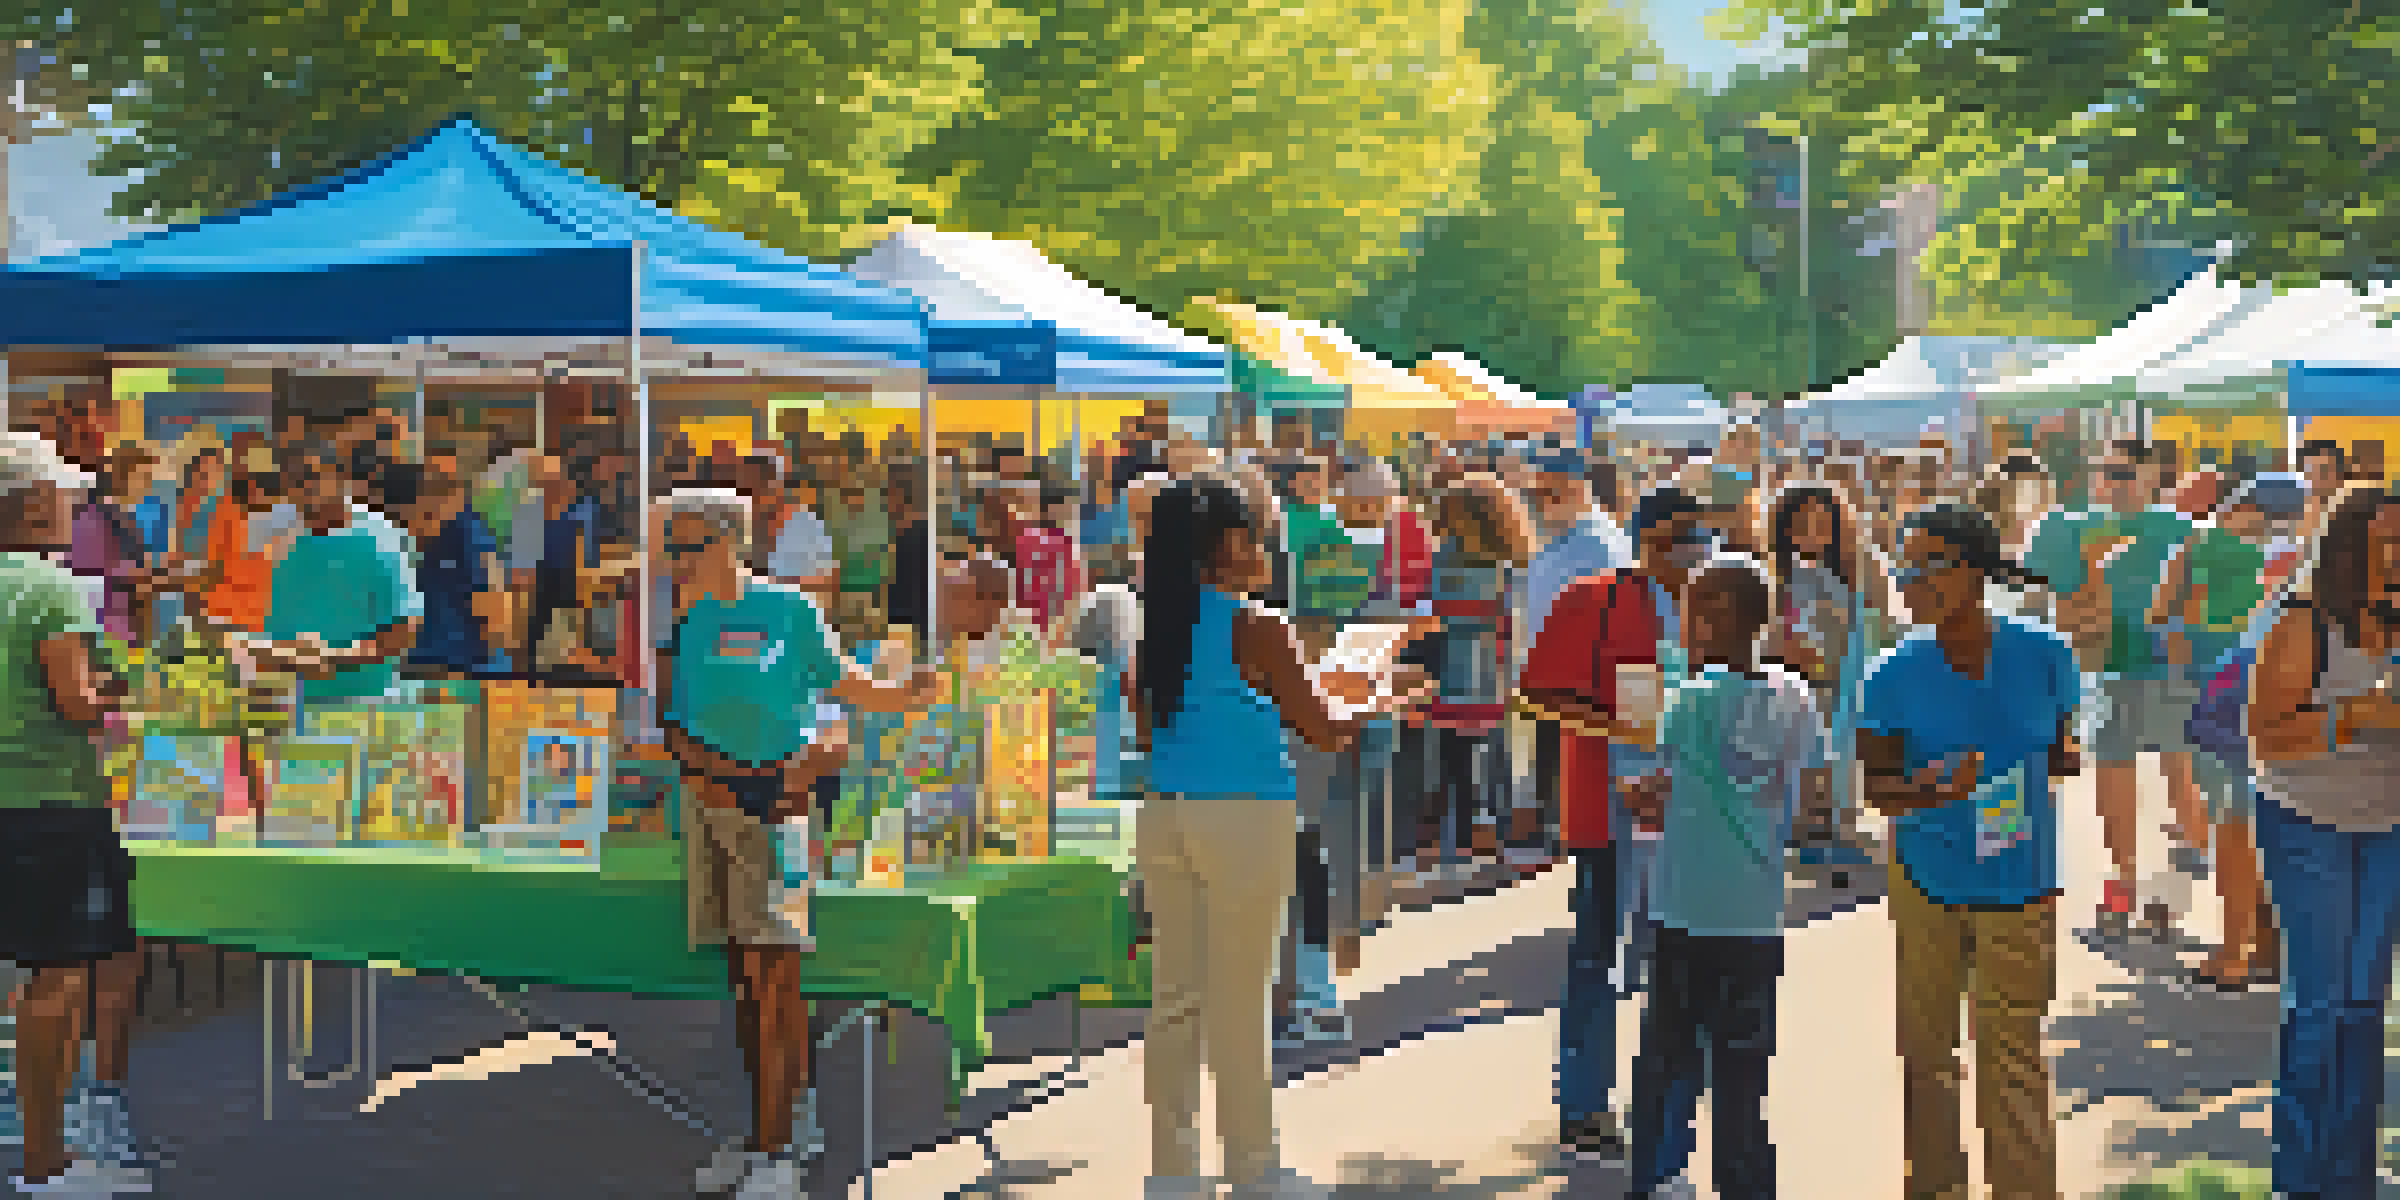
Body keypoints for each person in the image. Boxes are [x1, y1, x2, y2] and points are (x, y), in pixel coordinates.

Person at [1135, 476, 1429, 1200]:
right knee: (1240, 999)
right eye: (1256, 530)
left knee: (1176, 999)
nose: (1265, 543)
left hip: (1167, 813)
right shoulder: (1258, 625)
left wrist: (1344, 698)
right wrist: (1384, 703)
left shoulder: (1160, 626)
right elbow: (1323, 728)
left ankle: (1172, 1173)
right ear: (1227, 544)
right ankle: (1252, 1168)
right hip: (1243, 817)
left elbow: (1154, 727)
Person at [657, 487, 937, 1199]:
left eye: (687, 547)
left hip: (774, 813)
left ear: (730, 543)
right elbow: (673, 720)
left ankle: (779, 1152)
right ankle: (771, 1129)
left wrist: (903, 697)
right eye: (672, 547)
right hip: (712, 812)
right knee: (745, 987)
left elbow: (847, 691)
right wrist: (716, 773)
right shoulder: (684, 622)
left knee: (776, 982)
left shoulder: (789, 610)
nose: (674, 561)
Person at [1862, 503, 2080, 1200]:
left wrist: (2041, 765)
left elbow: (2063, 750)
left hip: (2020, 882)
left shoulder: (2046, 654)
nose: (1911, 580)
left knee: (2011, 1056)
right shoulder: (1890, 674)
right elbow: (1877, 789)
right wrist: (1926, 791)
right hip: (1926, 878)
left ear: (1976, 570)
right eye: (1905, 565)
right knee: (1928, 1059)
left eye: (1929, 564)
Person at [1517, 486, 1707, 1160]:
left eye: (1699, 534)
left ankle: (1670, 1099)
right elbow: (1537, 696)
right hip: (1607, 812)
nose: (1693, 548)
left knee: (1683, 957)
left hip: (1693, 811)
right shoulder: (1589, 599)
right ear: (1648, 539)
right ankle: (1583, 1106)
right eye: (1681, 535)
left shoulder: (1713, 604)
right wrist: (1617, 730)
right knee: (1596, 957)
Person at [1624, 555, 1823, 1199]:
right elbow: (1815, 800)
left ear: (1713, 617)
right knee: (1743, 1080)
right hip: (1756, 915)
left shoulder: (1684, 700)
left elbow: (1643, 784)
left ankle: (1655, 1182)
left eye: (1688, 607)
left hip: (1683, 910)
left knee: (1667, 1064)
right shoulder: (1796, 696)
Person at [0, 434, 158, 1194]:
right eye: (65, 493)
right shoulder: (52, 587)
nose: (74, 505)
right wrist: (114, 693)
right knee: (56, 979)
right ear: (33, 503)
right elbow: (74, 700)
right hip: (48, 802)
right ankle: (43, 1160)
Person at [2245, 482, 2400, 1199]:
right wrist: (2356, 716)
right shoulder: (2302, 624)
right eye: (2388, 544)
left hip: (2387, 828)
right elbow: (2266, 741)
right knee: (2320, 1004)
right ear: (2348, 551)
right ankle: (2301, 1179)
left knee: (2366, 1006)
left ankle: (2351, 1177)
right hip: (2307, 823)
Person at [2023, 440, 2196, 941]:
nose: (2113, 481)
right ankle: (2123, 885)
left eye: (2124, 472)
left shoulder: (2182, 530)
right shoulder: (2065, 526)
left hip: (2171, 667)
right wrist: (2092, 567)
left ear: (2154, 476)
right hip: (2103, 667)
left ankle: (2169, 895)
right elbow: (2040, 595)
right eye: (2107, 470)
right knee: (2114, 776)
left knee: (2182, 777)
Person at [2169, 473, 2303, 989]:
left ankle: (2234, 951)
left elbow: (2168, 613)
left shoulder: (2217, 548)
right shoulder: (2304, 561)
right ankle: (2264, 946)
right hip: (2276, 706)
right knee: (2269, 826)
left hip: (2238, 703)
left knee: (2235, 828)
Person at [1764, 483, 1890, 880]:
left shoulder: (1853, 570)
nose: (1814, 531)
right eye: (1802, 522)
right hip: (1797, 687)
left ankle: (1833, 833)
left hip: (1846, 684)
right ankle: (1808, 838)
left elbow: (1883, 613)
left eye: (1824, 521)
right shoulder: (1773, 575)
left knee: (1840, 764)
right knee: (1803, 766)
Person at [256, 440, 425, 707]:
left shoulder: (379, 536)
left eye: (311, 475)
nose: (302, 487)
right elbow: (281, 634)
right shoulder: (284, 542)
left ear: (339, 477)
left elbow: (406, 628)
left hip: (365, 707)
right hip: (295, 709)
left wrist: (337, 658)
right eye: (292, 480)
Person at [407, 460, 507, 678]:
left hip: (459, 662)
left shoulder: (471, 534)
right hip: (424, 657)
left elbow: (490, 602)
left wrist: (490, 662)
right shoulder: (418, 534)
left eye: (441, 487)